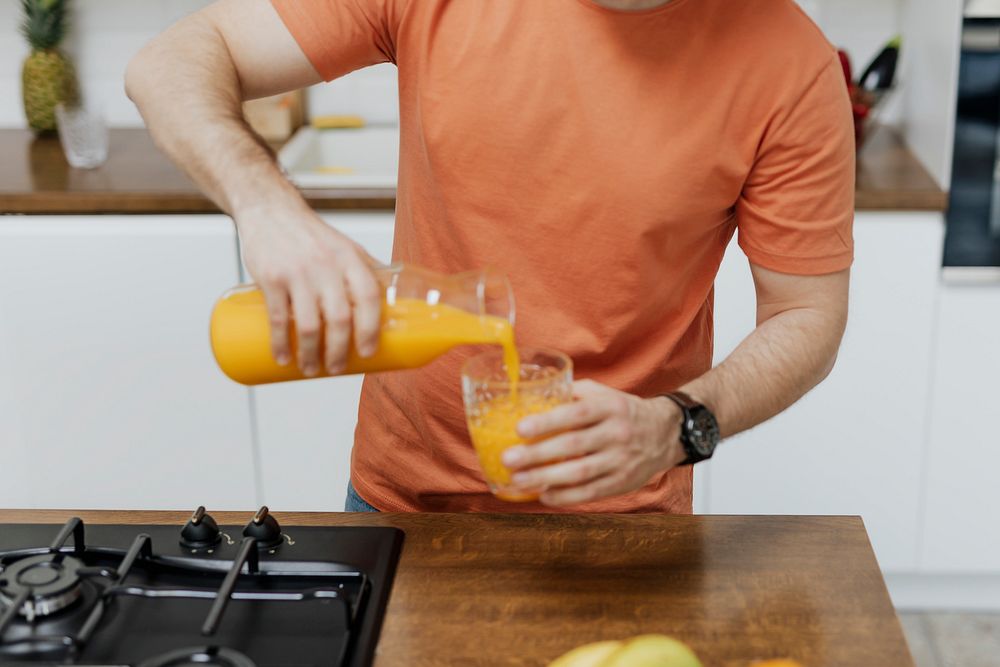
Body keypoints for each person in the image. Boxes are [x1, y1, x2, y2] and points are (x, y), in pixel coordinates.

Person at [126, 0, 854, 513]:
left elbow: (806, 315)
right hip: (403, 500)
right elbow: (171, 62)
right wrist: (267, 206)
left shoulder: (789, 65)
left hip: (623, 518)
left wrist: (683, 422)